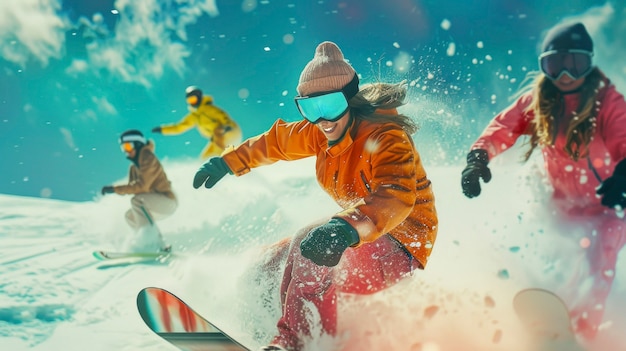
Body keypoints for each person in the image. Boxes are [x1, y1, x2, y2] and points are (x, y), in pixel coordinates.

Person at [192, 41, 438, 351]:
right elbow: (276, 142)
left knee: (307, 242)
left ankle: (300, 343)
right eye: (310, 108)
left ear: (350, 100)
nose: (323, 119)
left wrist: (346, 228)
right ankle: (266, 333)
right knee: (265, 264)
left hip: (400, 245)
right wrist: (228, 161)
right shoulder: (319, 134)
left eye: (331, 106)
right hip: (356, 235)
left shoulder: (385, 136)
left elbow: (397, 196)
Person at [461, 22, 626, 342]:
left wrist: (623, 177)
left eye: (574, 64)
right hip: (560, 204)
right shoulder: (539, 100)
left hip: (609, 205)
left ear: (589, 64)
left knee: (600, 257)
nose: (565, 76)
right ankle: (549, 319)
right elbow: (502, 129)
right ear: (544, 68)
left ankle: (583, 333)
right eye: (555, 65)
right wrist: (478, 159)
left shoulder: (608, 101)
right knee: (551, 257)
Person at [101, 129, 178, 252]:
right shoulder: (134, 166)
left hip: (166, 200)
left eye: (127, 146)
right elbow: (134, 188)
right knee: (130, 216)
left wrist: (115, 189)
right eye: (123, 147)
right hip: (155, 202)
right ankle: (155, 245)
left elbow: (142, 186)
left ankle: (151, 241)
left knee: (137, 201)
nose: (126, 150)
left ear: (137, 144)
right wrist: (115, 189)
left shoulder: (147, 157)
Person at [152, 86, 242, 159]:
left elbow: (224, 117)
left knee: (217, 133)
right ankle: (210, 169)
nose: (192, 103)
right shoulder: (194, 116)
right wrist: (162, 129)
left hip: (231, 131)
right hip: (217, 138)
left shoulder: (209, 108)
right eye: (190, 101)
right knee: (205, 157)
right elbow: (179, 127)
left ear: (199, 98)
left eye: (193, 100)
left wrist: (227, 126)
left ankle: (229, 160)